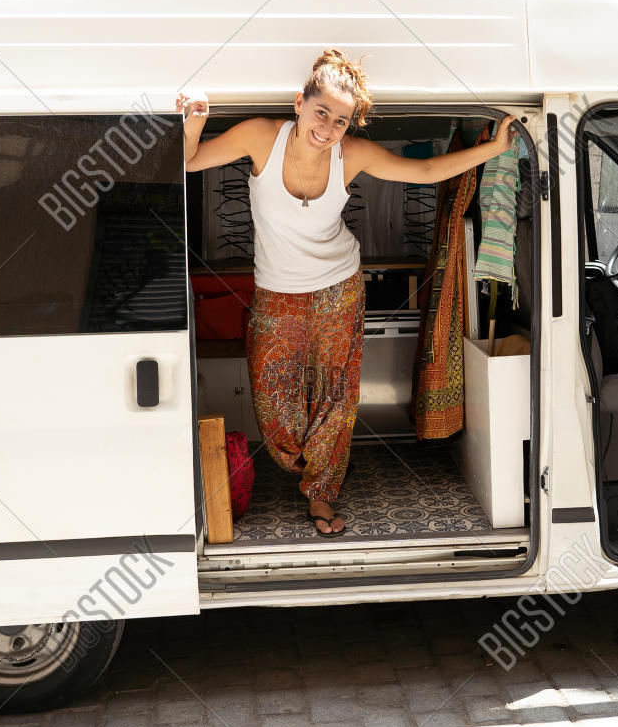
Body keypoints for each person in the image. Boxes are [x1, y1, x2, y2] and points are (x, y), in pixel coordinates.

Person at [178, 49, 516, 536]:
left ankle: (322, 492)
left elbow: (423, 172)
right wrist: (195, 119)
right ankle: (312, 469)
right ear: (299, 102)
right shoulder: (261, 138)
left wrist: (494, 149)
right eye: (321, 112)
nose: (329, 127)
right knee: (275, 405)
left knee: (336, 398)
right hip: (277, 293)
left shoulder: (350, 154)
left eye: (341, 120)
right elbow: (189, 161)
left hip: (339, 287)